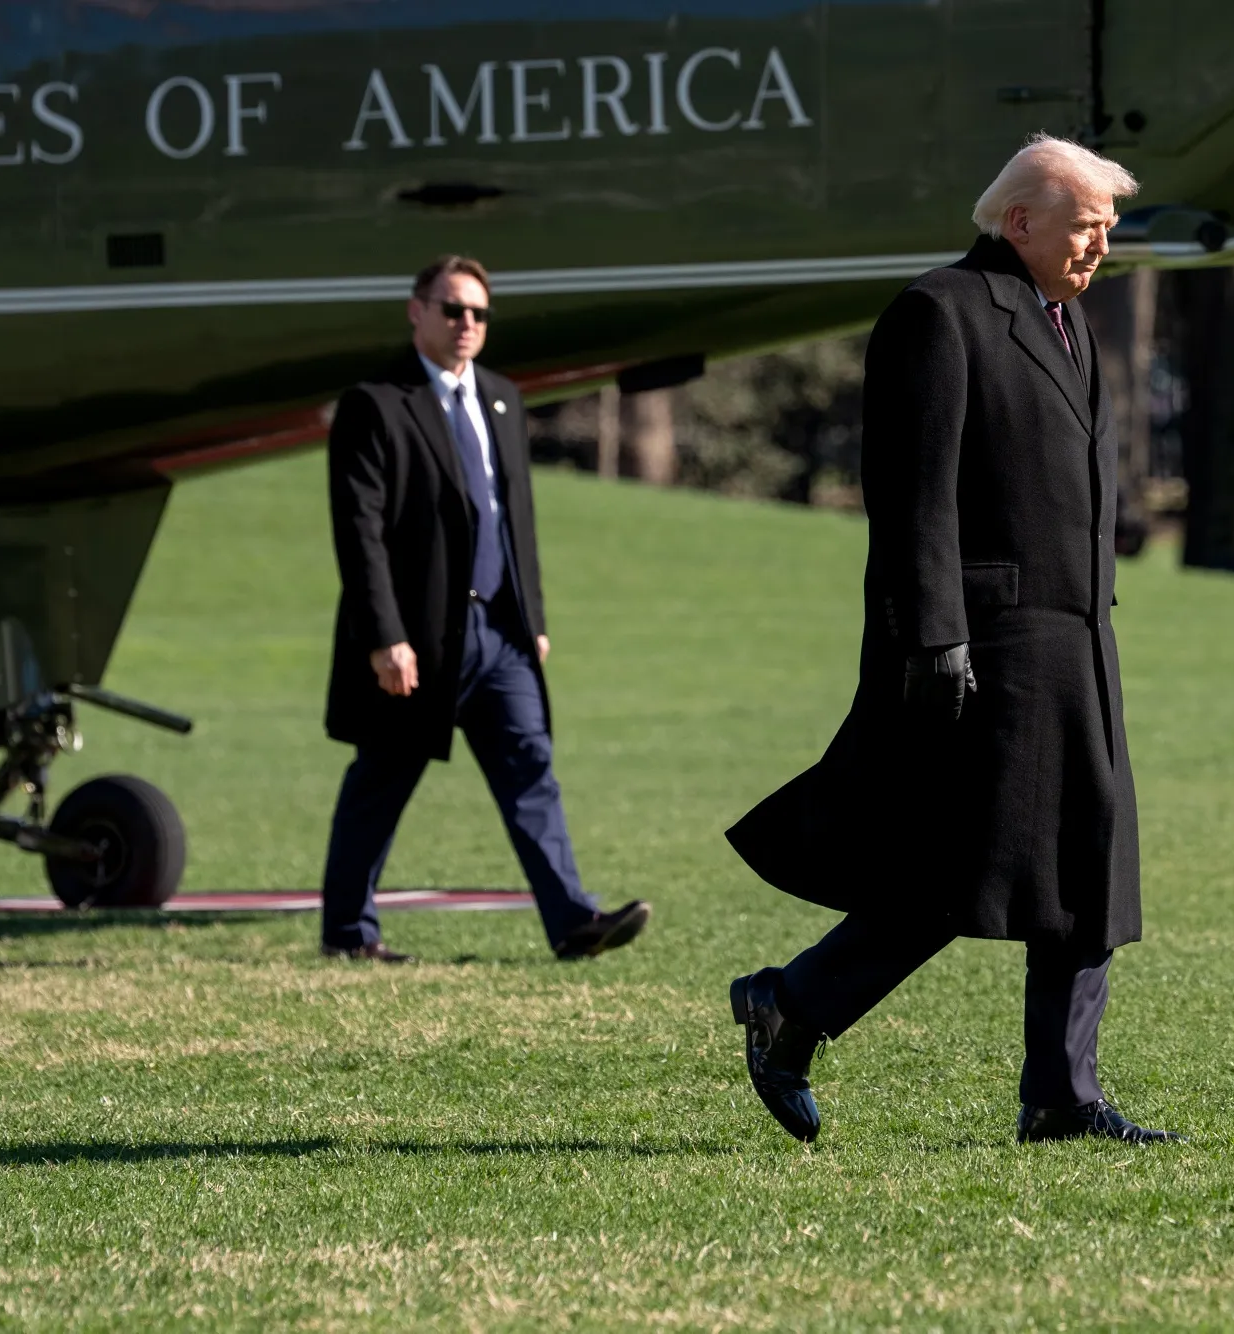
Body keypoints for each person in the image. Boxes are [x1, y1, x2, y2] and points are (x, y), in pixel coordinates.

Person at [724, 136, 1179, 1144]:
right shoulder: (939, 312)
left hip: (1079, 641)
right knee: (955, 869)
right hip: (985, 645)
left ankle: (1062, 1093)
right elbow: (911, 498)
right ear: (1017, 220)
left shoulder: (1072, 321)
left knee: (1085, 868)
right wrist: (933, 638)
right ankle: (789, 1004)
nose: (1098, 246)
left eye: (1108, 229)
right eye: (1083, 226)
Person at [319, 255, 651, 963]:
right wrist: (384, 637)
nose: (466, 323)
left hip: (500, 633)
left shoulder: (501, 396)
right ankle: (348, 935)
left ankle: (573, 923)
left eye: (478, 313)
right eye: (452, 309)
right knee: (382, 779)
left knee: (531, 766)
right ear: (416, 311)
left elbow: (513, 518)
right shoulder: (375, 403)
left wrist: (532, 617)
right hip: (420, 638)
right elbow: (360, 532)